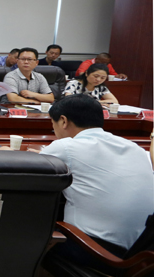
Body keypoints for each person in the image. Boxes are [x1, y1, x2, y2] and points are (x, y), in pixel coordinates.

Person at [33, 95, 153, 263]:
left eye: (53, 124)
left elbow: (28, 170)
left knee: (30, 225)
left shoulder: (66, 147)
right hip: (140, 252)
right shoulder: (134, 148)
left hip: (97, 251)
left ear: (63, 121)